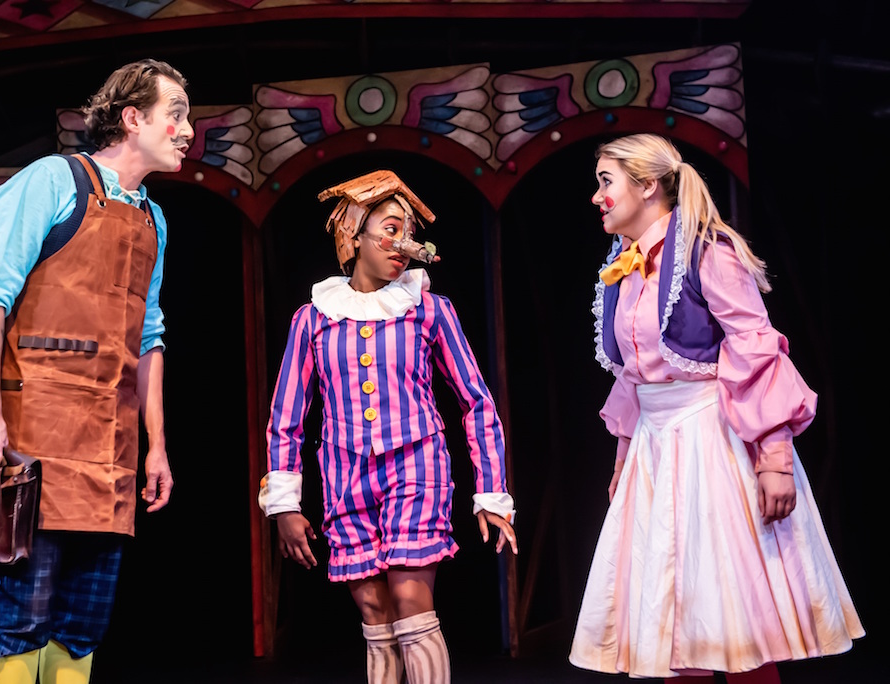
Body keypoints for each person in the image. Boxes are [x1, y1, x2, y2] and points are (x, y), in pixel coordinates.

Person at [569, 134, 863, 682]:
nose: (596, 196)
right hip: (655, 450)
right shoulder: (623, 267)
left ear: (647, 185)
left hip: (712, 442)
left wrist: (775, 459)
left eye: (606, 182)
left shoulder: (706, 251)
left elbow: (755, 348)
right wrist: (624, 456)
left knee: (732, 613)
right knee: (672, 624)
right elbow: (634, 375)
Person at [0, 58, 192, 683]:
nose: (187, 131)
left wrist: (156, 445)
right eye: (175, 115)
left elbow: (149, 336)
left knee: (85, 618)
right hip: (36, 433)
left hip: (110, 444)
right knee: (25, 610)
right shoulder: (52, 180)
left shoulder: (151, 217)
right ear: (133, 118)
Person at [258, 170, 518, 684]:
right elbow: (286, 416)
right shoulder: (313, 319)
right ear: (354, 235)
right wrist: (284, 504)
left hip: (416, 469)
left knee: (410, 600)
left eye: (410, 233)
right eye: (391, 230)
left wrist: (491, 492)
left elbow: (477, 402)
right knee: (375, 614)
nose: (404, 245)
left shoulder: (428, 310)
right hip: (345, 479)